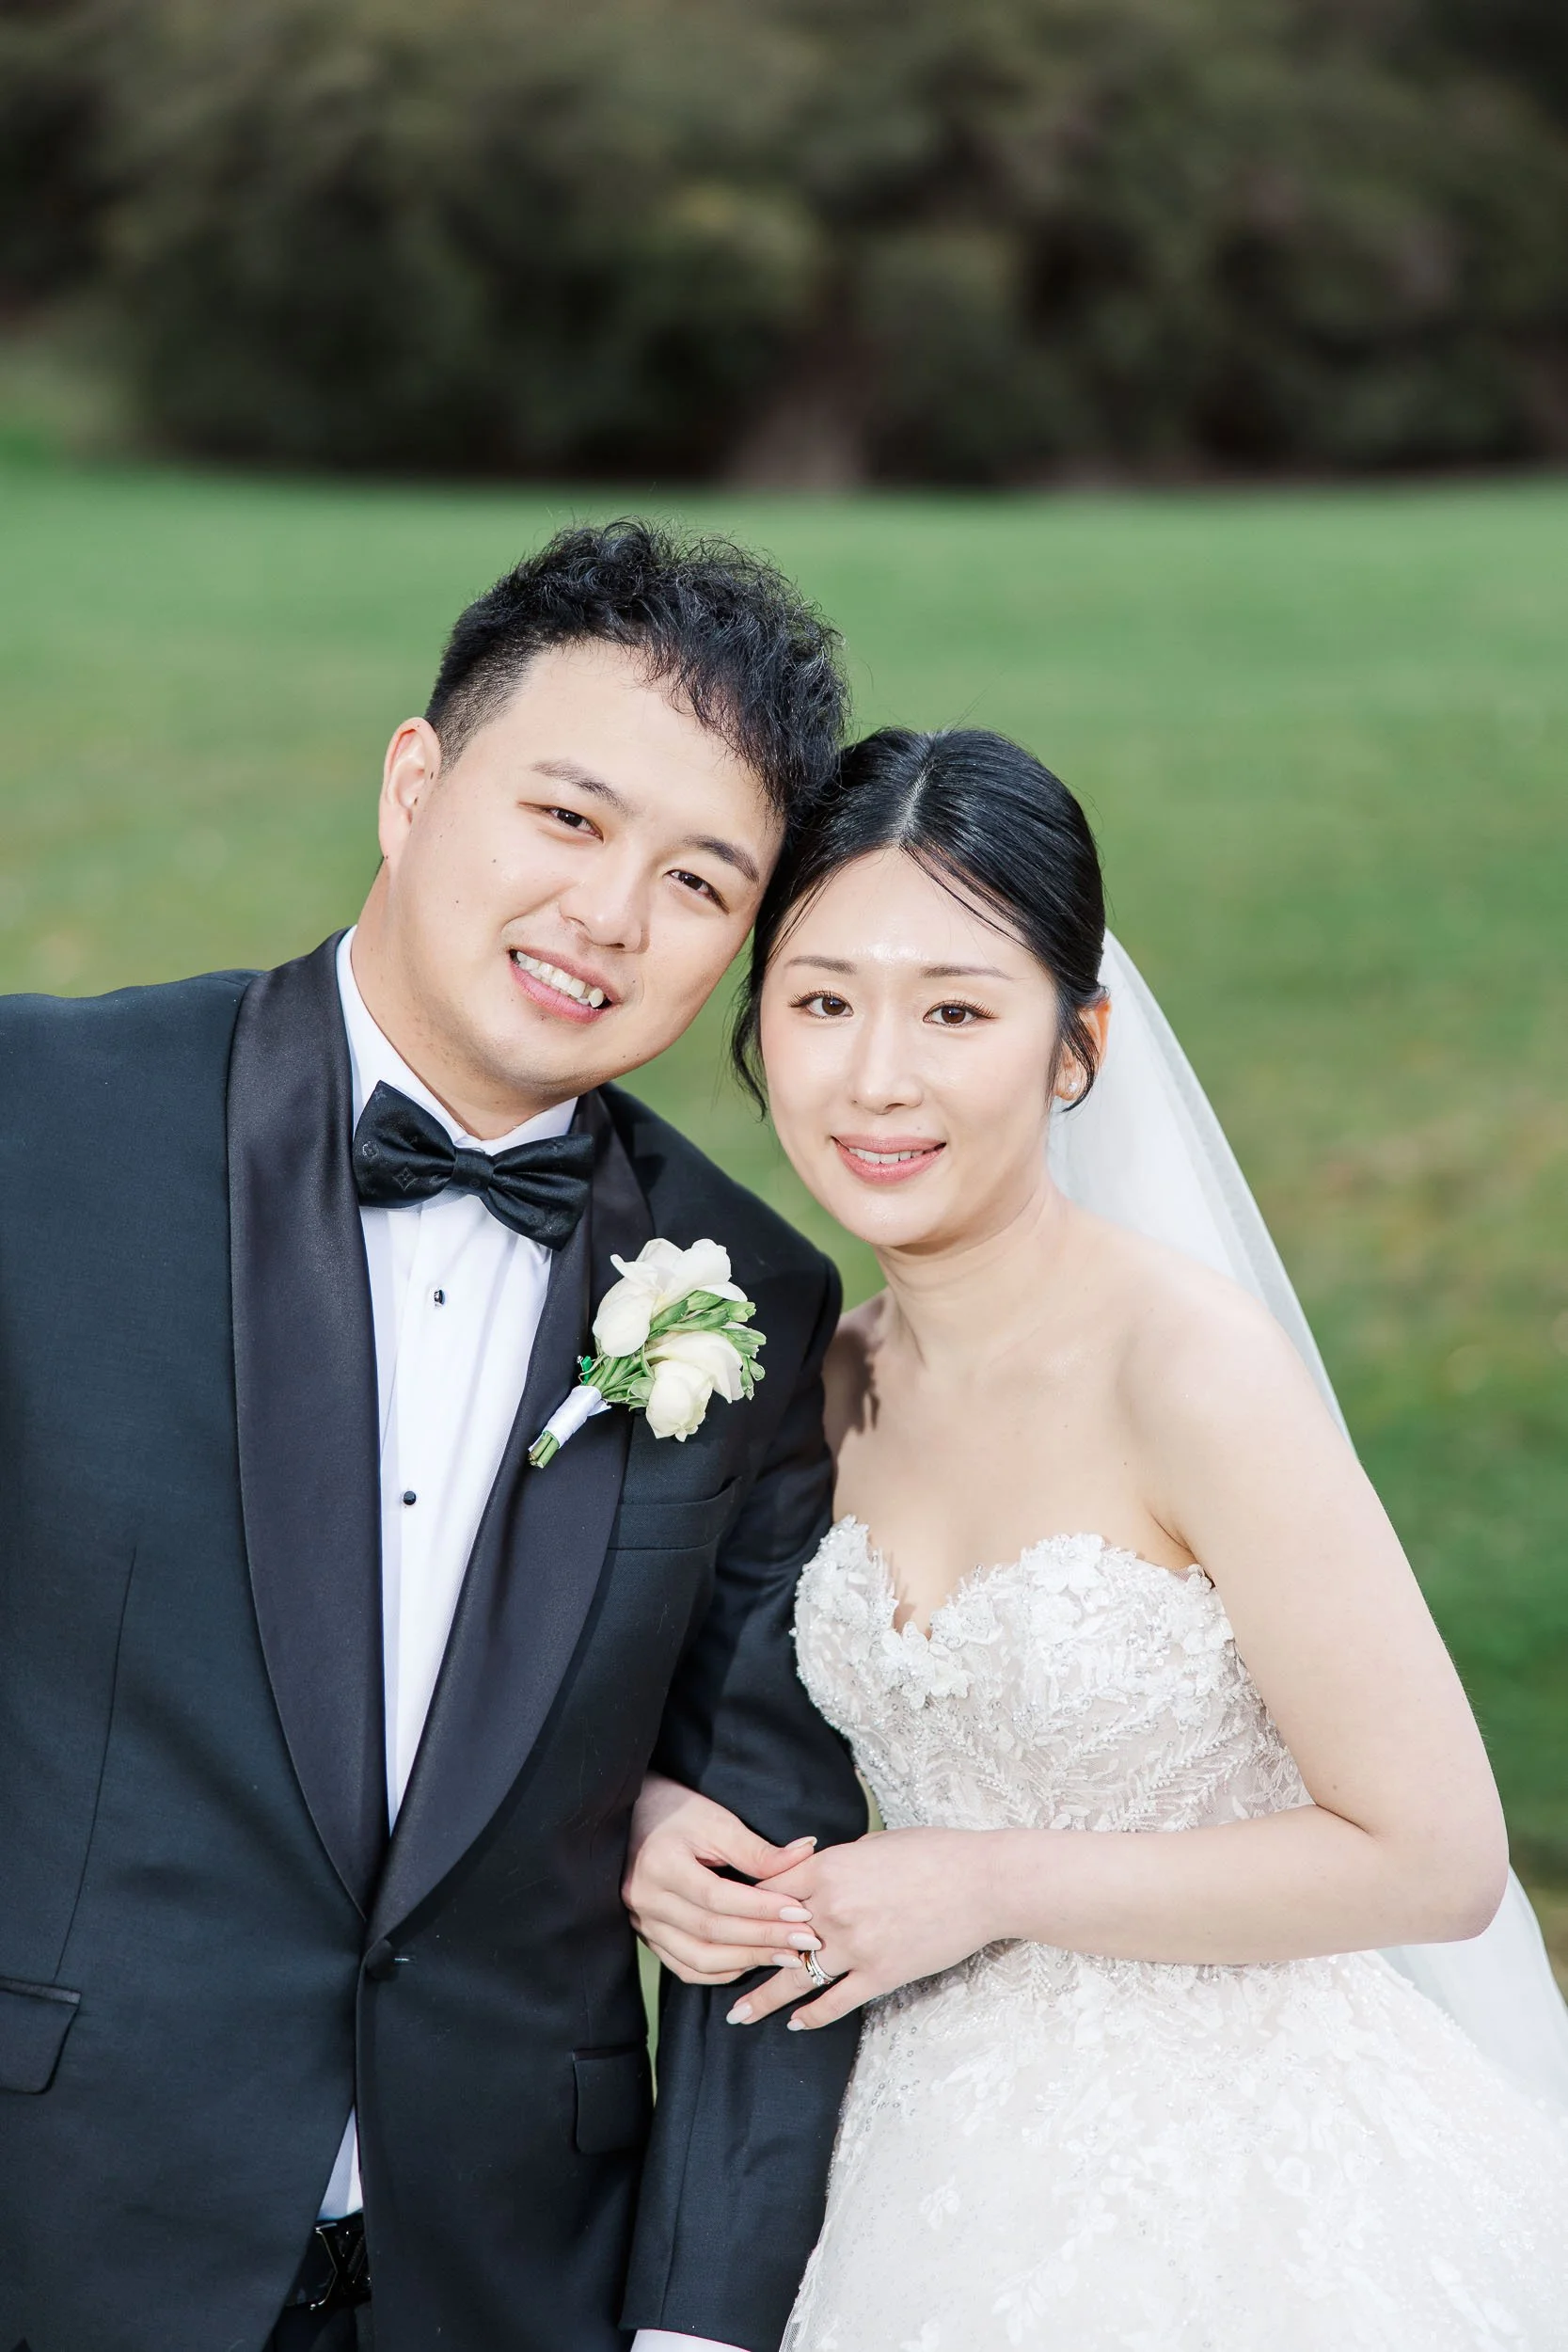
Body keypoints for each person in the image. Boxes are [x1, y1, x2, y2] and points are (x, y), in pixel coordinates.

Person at [0, 522, 869, 2352]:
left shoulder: (752, 1297)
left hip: (508, 2282)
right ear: (414, 785)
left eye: (697, 880)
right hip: (59, 2230)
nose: (609, 915)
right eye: (566, 817)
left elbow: (770, 1871)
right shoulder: (42, 1120)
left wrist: (699, 2325)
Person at [624, 724, 1568, 2348]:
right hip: (926, 2160)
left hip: (1247, 2179)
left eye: (955, 1011)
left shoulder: (1185, 1371)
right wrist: (648, 1826)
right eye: (823, 1002)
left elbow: (1433, 1857)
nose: (876, 1078)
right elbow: (707, 1720)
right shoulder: (814, 1386)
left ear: (1077, 1047)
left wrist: (988, 1880)